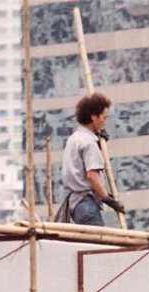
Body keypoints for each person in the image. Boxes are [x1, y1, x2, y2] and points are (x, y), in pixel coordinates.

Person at [57, 92, 125, 226]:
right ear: (94, 117)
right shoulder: (89, 143)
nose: (105, 121)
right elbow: (92, 176)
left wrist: (99, 141)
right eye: (104, 118)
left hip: (77, 204)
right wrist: (108, 199)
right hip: (85, 203)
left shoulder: (75, 138)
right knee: (100, 243)